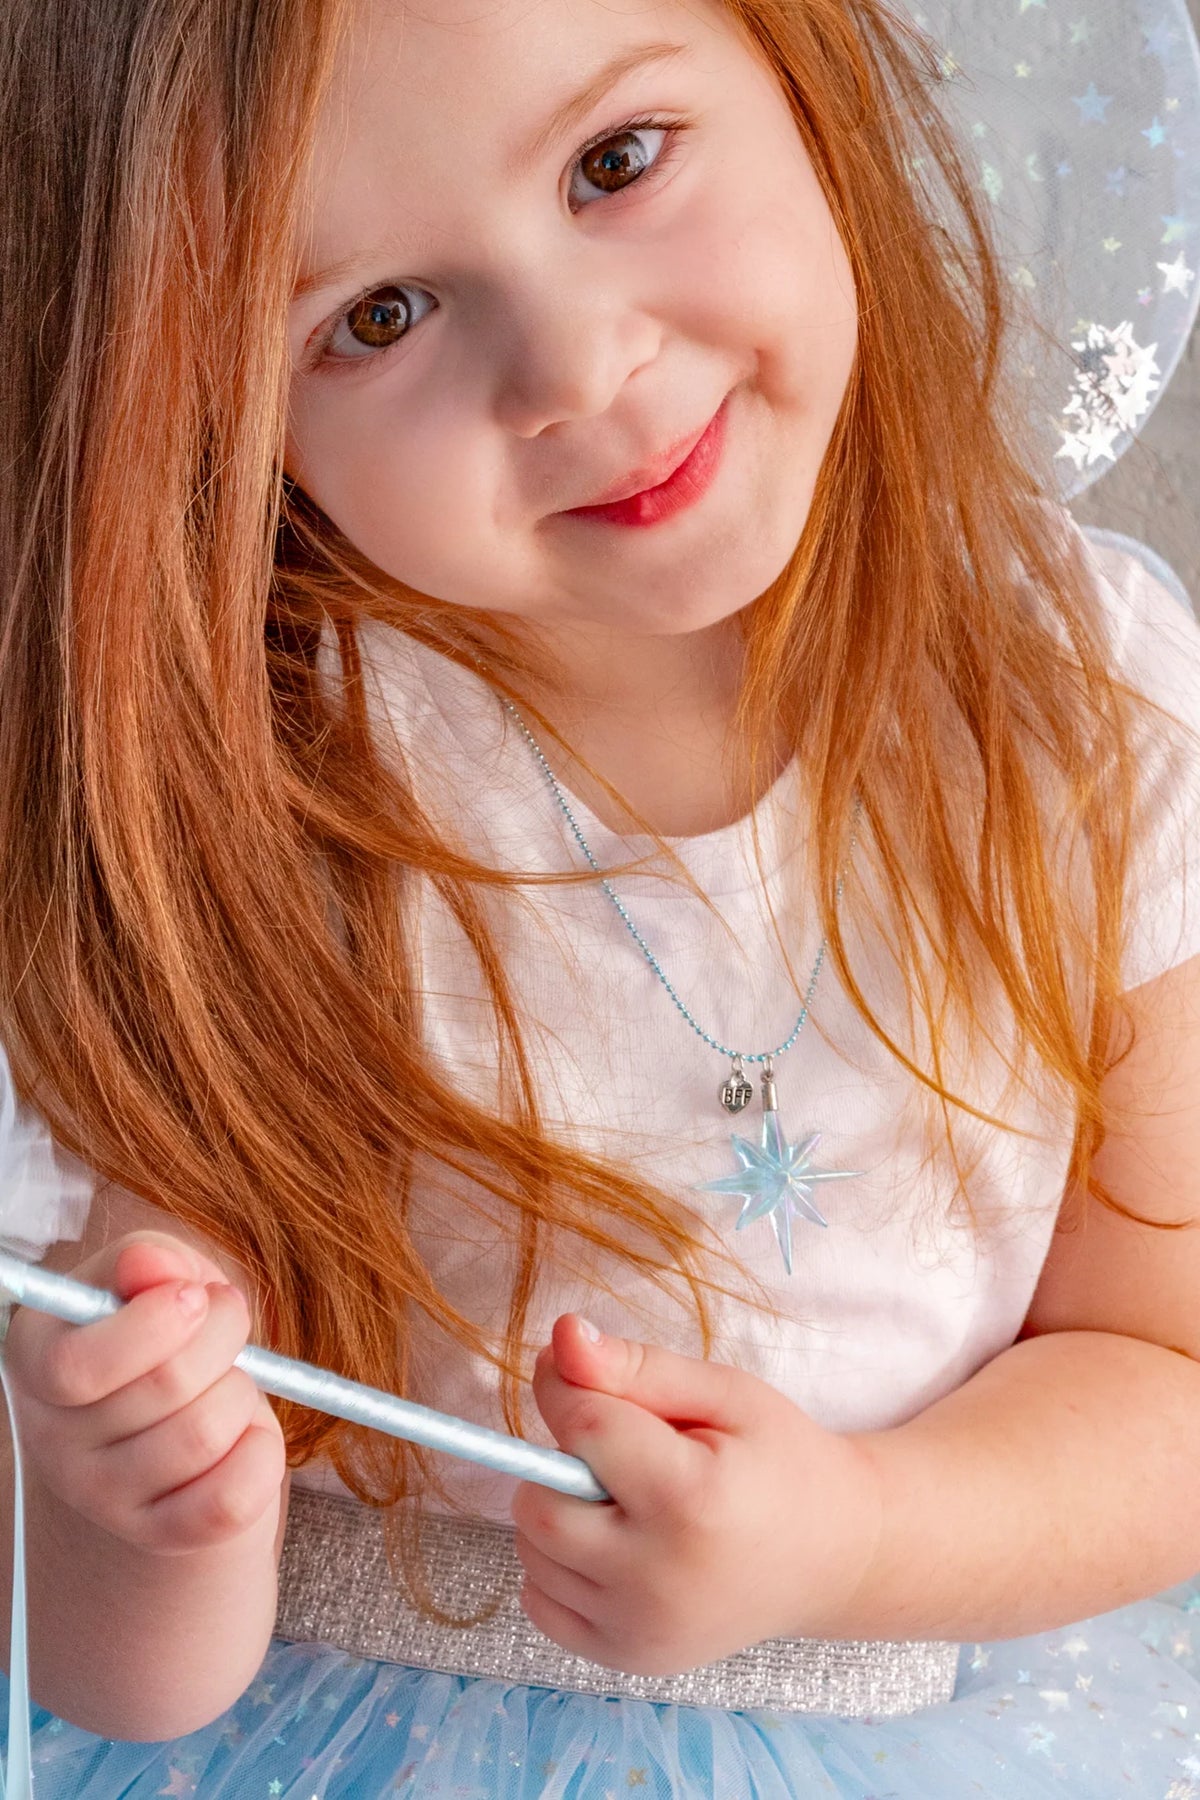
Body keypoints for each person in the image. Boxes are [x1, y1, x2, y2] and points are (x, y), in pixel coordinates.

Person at [0, 0, 1199, 1793]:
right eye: (378, 316)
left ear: (801, 68)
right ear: (219, 411)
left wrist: (856, 1537)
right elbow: (131, 1689)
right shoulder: (256, 783)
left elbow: (1162, 1372)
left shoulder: (1083, 705)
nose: (571, 366)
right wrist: (141, 1512)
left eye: (615, 163)